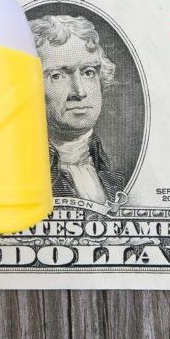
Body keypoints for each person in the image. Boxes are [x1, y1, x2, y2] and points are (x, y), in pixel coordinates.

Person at [29, 14, 125, 202]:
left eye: (88, 72)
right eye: (57, 75)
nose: (79, 92)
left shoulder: (115, 177)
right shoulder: (13, 175)